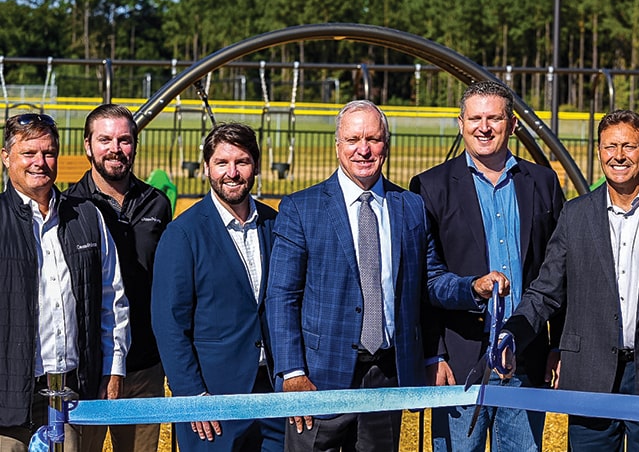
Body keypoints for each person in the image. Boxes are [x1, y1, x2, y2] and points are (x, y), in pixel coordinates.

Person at [501, 110, 639, 451]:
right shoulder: (575, 215)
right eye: (610, 146)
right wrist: (513, 333)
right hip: (590, 381)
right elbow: (546, 291)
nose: (619, 155)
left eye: (629, 146)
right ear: (599, 151)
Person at [266, 100, 433, 451]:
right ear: (338, 145)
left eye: (373, 138)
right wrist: (292, 372)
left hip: (385, 376)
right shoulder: (301, 208)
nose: (364, 149)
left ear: (386, 144)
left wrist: (474, 288)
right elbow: (281, 295)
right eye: (353, 138)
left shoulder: (411, 206)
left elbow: (429, 283)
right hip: (317, 378)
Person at [408, 80, 565, 451]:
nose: (484, 127)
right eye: (475, 118)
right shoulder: (431, 187)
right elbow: (424, 282)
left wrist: (558, 345)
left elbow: (558, 274)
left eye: (494, 118)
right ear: (460, 123)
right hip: (461, 364)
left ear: (512, 126)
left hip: (525, 359)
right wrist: (435, 353)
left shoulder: (543, 183)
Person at [0, 113, 129, 452]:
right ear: (6, 157)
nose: (40, 163)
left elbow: (111, 299)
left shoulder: (86, 217)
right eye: (29, 153)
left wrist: (114, 368)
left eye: (48, 153)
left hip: (69, 397)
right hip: (7, 402)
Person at [152, 122, 283, 451]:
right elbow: (169, 323)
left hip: (273, 395)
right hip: (212, 401)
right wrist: (192, 395)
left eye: (242, 162)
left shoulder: (276, 223)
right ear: (207, 167)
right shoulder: (183, 234)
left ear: (255, 165)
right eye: (222, 163)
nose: (232, 172)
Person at [64, 104, 172, 452]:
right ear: (87, 146)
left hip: (144, 365)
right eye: (105, 139)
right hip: (88, 369)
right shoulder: (69, 207)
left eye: (124, 140)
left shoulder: (156, 204)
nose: (115, 148)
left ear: (135, 145)